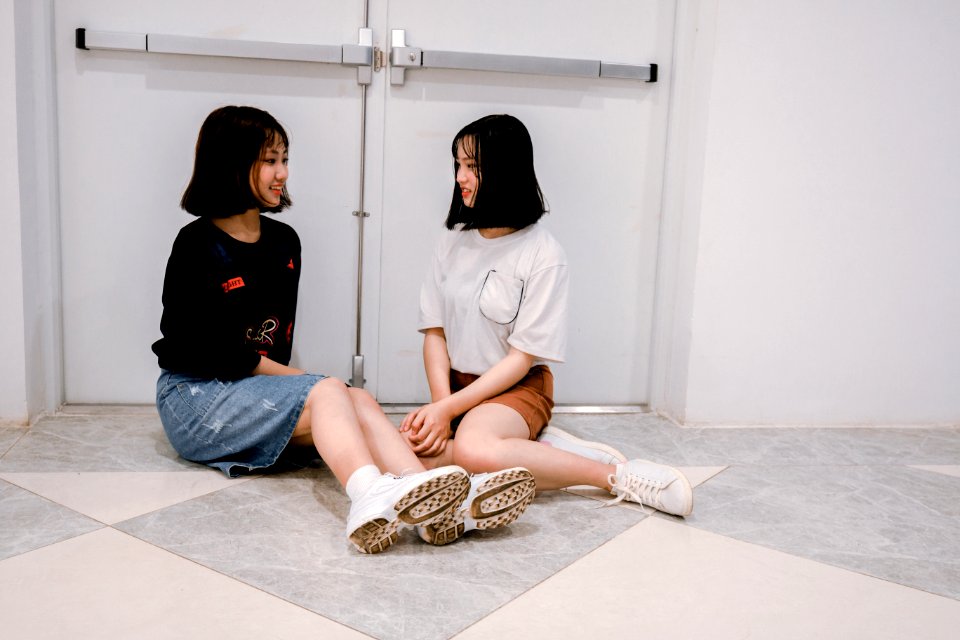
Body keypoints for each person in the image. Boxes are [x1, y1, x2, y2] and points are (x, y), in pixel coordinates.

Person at [151, 105, 525, 555]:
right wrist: (320, 386)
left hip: (250, 392)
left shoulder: (284, 242)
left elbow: (273, 348)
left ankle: (429, 499)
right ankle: (369, 494)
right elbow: (211, 351)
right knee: (331, 391)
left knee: (357, 398)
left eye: (285, 159)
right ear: (232, 163)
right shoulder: (196, 244)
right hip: (193, 398)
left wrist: (326, 389)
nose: (282, 173)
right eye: (270, 160)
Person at [400, 114, 694, 544]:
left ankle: (613, 476)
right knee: (406, 451)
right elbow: (435, 333)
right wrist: (442, 407)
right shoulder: (453, 240)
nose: (461, 177)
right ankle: (536, 458)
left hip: (516, 387)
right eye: (458, 165)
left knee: (472, 450)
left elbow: (522, 358)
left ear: (505, 170)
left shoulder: (542, 252)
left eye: (473, 167)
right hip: (458, 388)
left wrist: (450, 415)